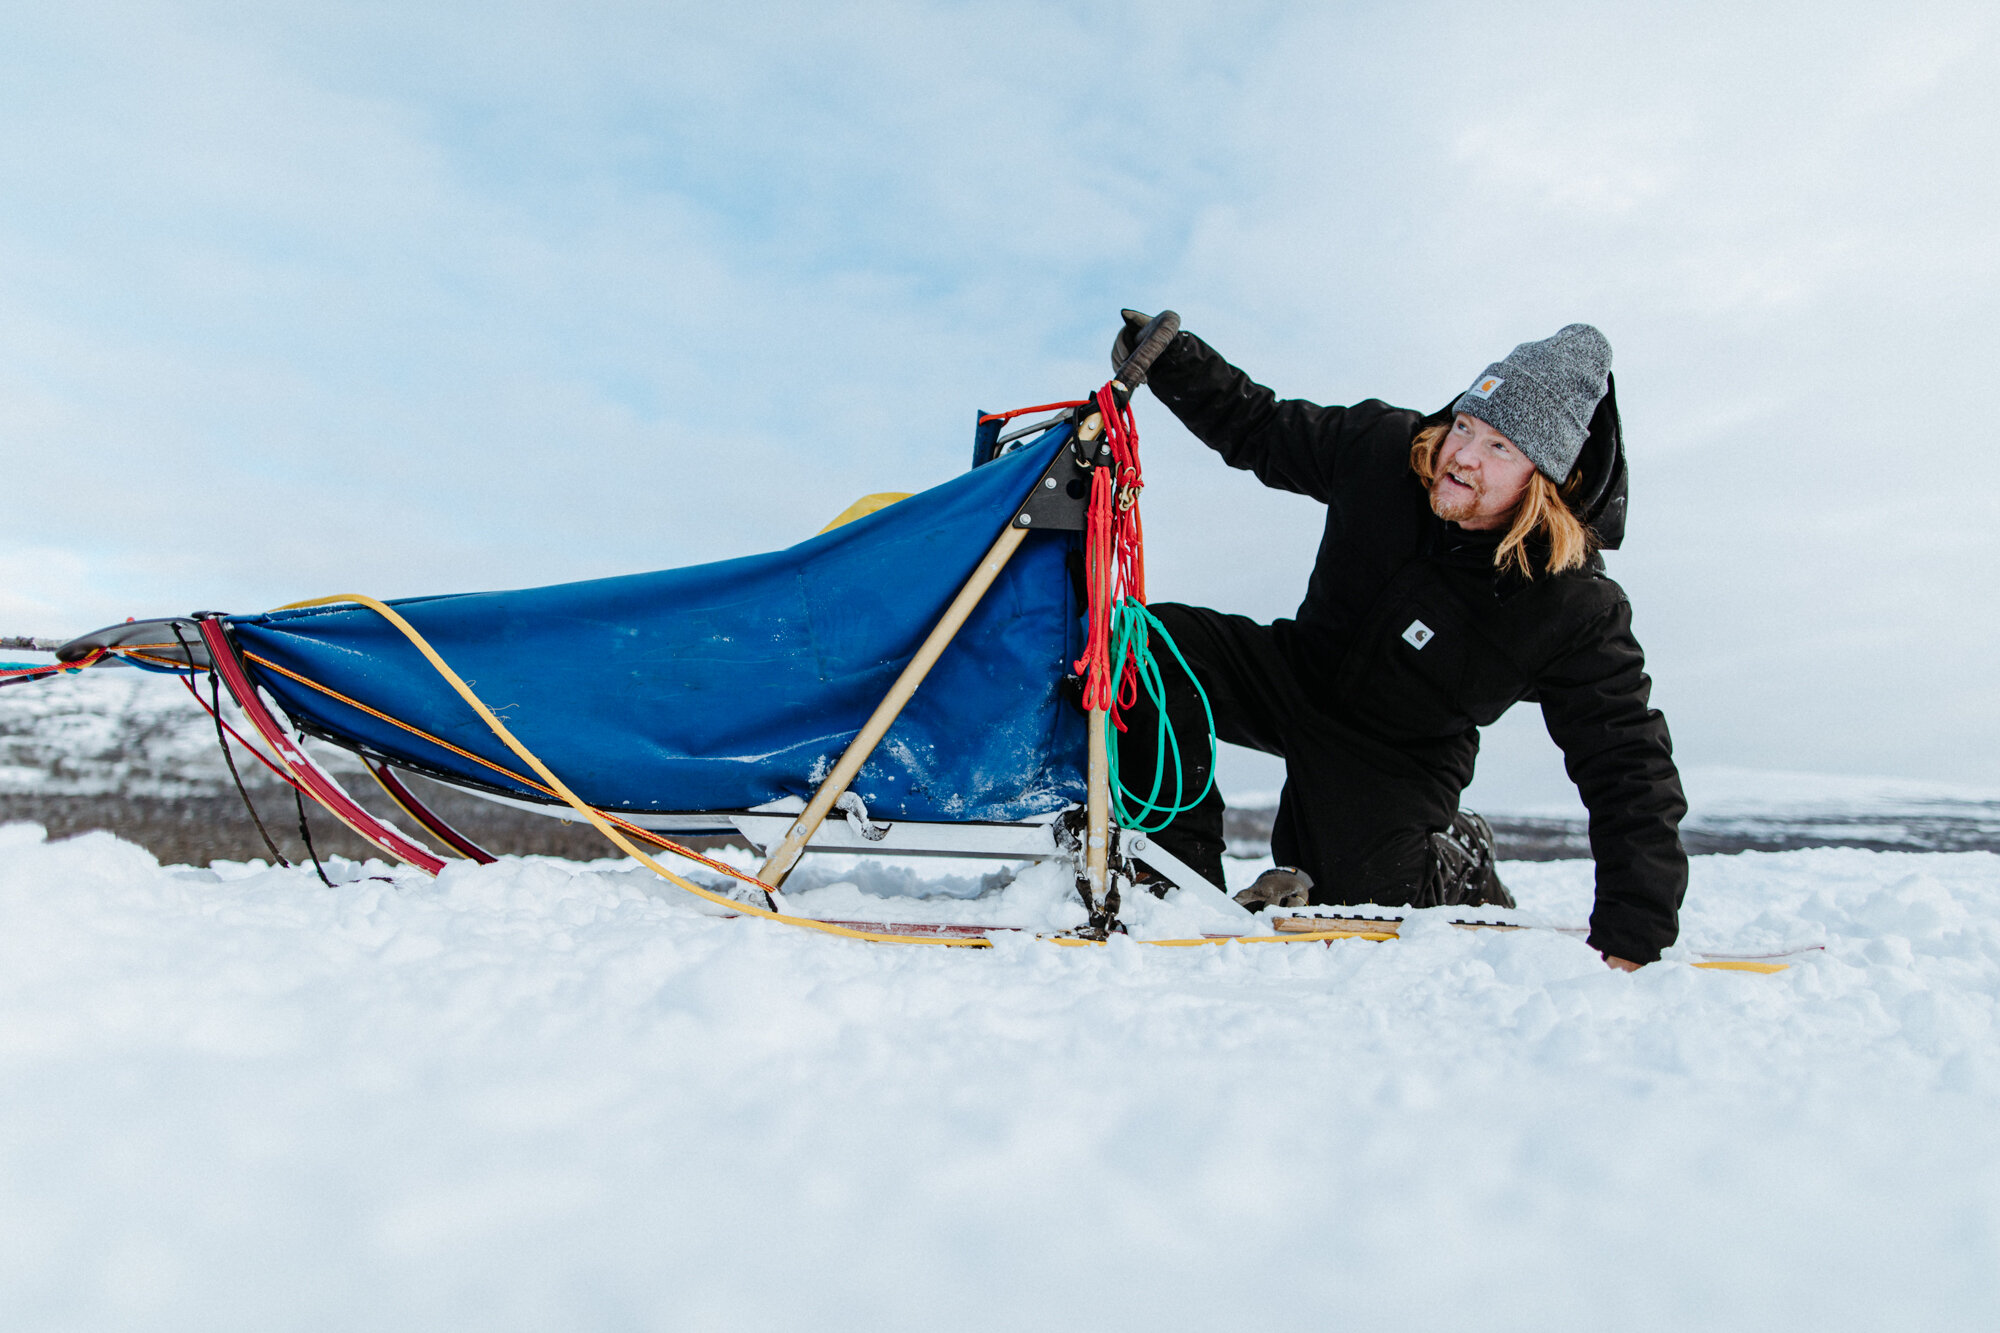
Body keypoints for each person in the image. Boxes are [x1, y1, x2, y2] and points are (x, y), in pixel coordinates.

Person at [1110, 312, 1687, 969]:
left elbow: (1627, 763)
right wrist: (1172, 358)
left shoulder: (1572, 601)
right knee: (1144, 647)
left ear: (1547, 477)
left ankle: (1456, 857)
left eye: (1500, 447)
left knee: (1353, 906)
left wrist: (1633, 931)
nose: (1463, 453)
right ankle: (1172, 878)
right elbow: (1261, 429)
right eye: (1466, 425)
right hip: (1301, 671)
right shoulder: (1383, 449)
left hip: (1400, 752)